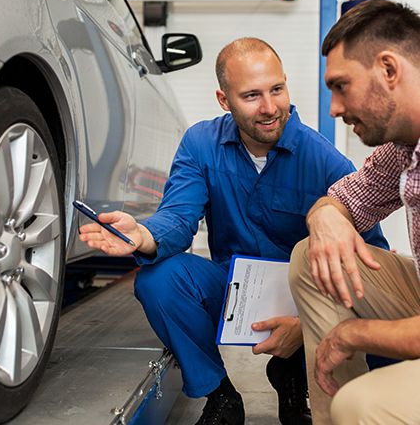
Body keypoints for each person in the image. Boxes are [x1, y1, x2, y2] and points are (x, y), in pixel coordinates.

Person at [79, 37, 387, 425]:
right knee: (159, 279)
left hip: (305, 298)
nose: (270, 107)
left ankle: (298, 380)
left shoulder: (324, 160)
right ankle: (220, 395)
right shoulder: (200, 144)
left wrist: (306, 323)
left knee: (373, 323)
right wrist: (142, 234)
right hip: (235, 287)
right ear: (224, 100)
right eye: (251, 96)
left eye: (277, 89)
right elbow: (178, 217)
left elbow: (372, 259)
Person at [289, 0, 420, 425]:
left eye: (341, 86)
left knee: (363, 405)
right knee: (312, 257)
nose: (333, 109)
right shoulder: (404, 146)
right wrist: (325, 216)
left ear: (388, 69)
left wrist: (353, 333)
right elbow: (346, 197)